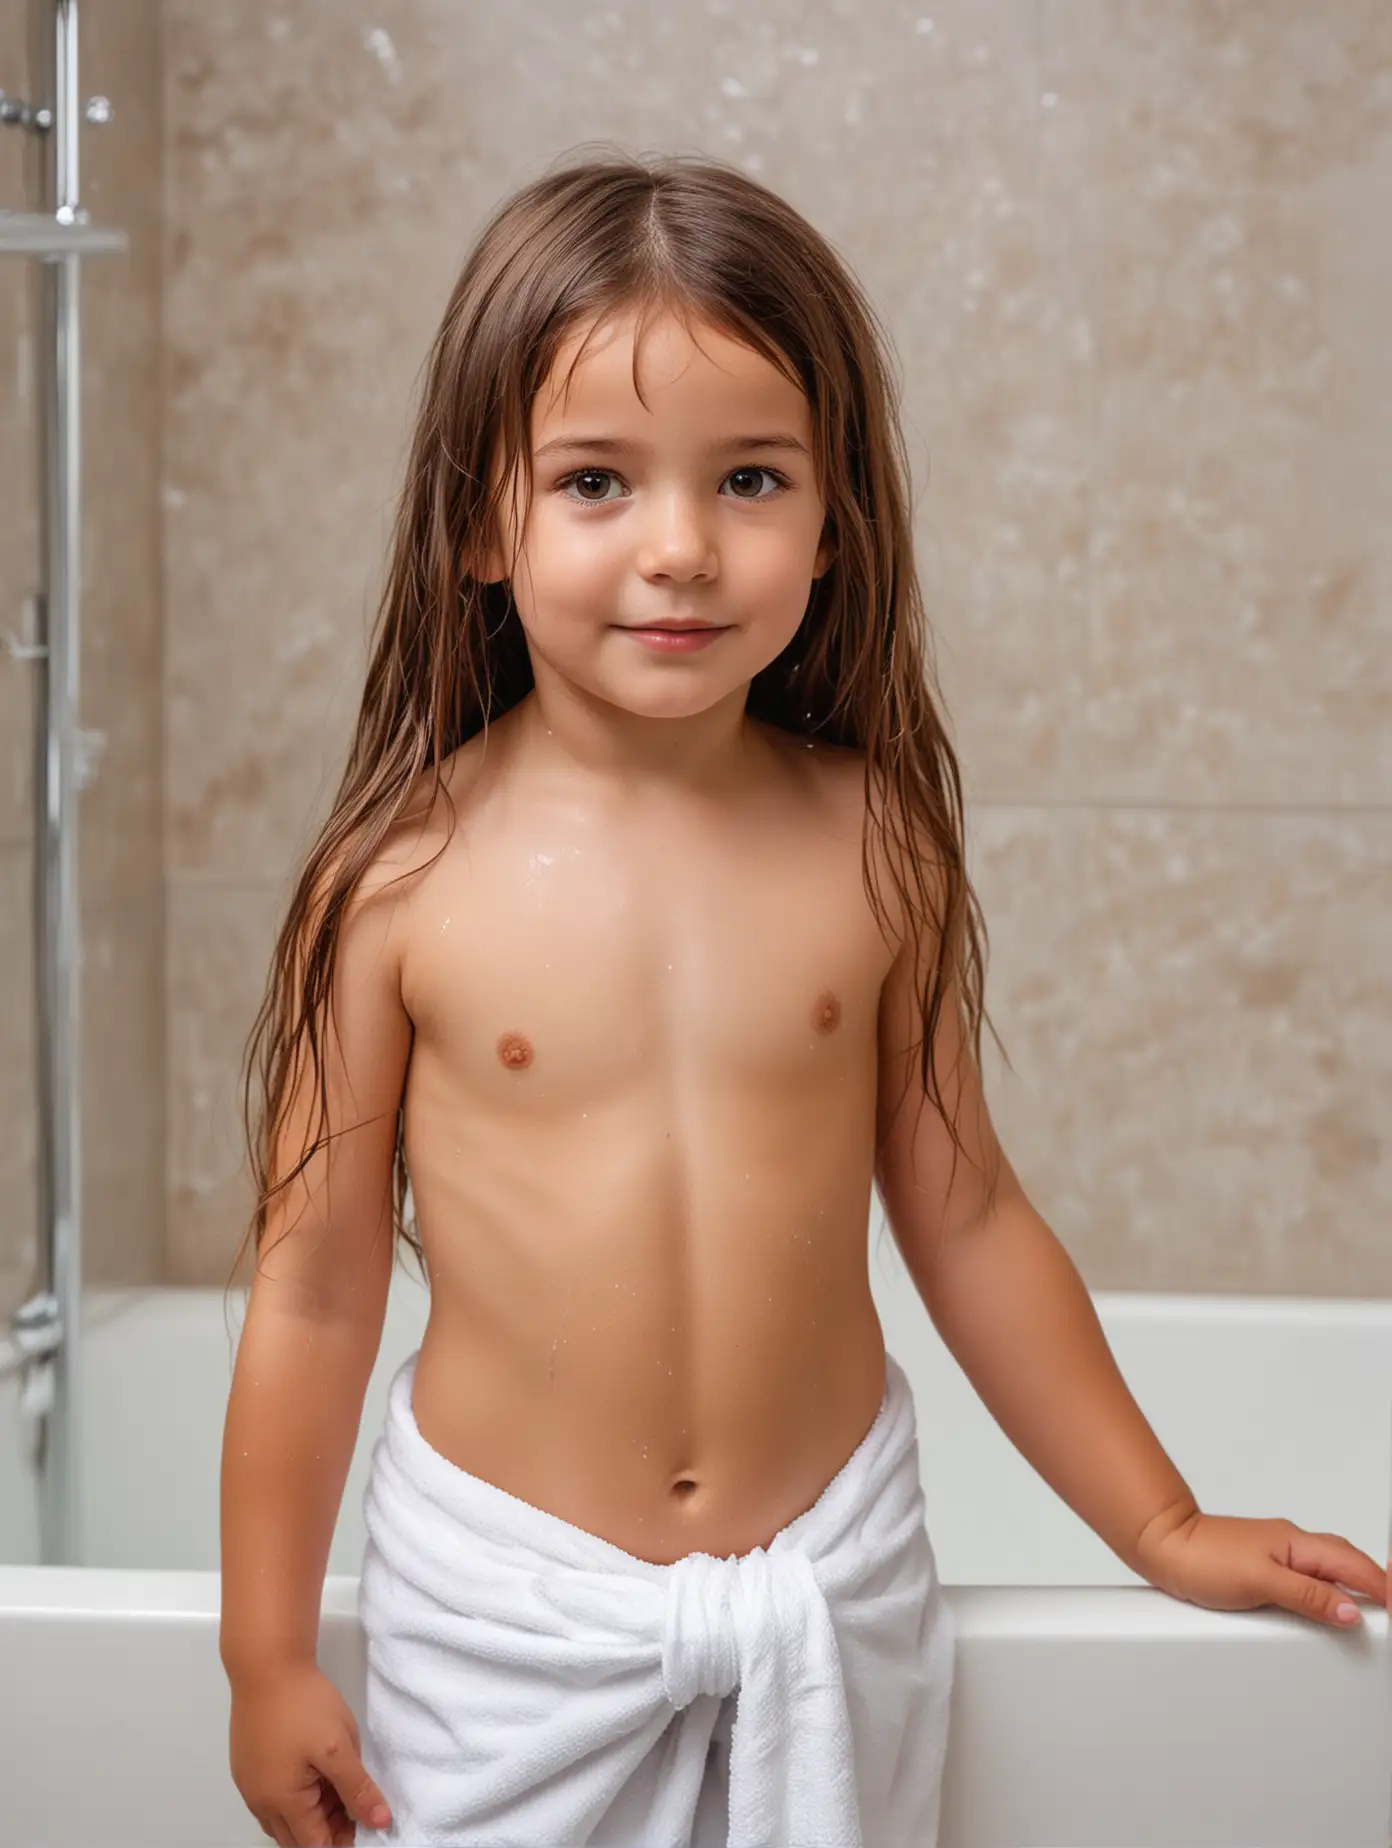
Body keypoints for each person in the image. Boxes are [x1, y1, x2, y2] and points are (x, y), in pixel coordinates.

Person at [218, 149, 1386, 1848]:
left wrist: (1163, 1526)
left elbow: (967, 1217)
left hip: (827, 1585)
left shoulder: (869, 841)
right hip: (516, 1620)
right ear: (483, 519)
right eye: (597, 482)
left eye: (750, 477)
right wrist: (264, 1654)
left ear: (834, 522)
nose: (681, 548)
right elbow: (317, 1290)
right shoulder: (402, 884)